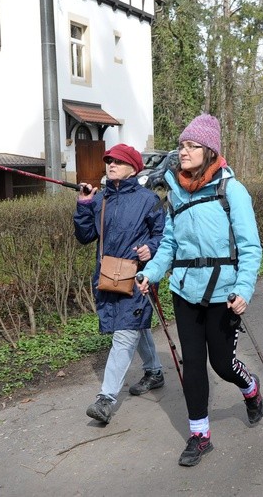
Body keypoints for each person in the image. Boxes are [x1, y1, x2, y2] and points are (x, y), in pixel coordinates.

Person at [136, 114, 263, 467]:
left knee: (222, 364)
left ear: (209, 151)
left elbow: (250, 247)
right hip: (185, 290)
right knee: (192, 363)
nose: (184, 151)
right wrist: (152, 272)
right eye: (182, 145)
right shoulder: (176, 192)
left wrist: (244, 288)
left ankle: (250, 389)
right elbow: (169, 243)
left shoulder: (231, 190)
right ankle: (200, 435)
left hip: (224, 292)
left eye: (192, 145)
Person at [73, 143, 166, 425]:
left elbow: (164, 236)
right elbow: (85, 235)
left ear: (133, 168)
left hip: (137, 277)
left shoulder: (148, 200)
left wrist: (151, 247)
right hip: (107, 276)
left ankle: (106, 399)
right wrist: (84, 205)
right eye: (109, 160)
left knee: (124, 333)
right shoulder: (101, 199)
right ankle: (155, 371)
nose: (110, 164)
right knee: (133, 327)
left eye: (117, 161)